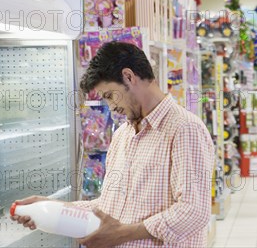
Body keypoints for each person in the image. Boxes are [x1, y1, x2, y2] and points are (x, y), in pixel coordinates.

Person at [11, 42, 215, 248]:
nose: (111, 107)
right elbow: (110, 206)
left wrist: (123, 234)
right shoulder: (122, 135)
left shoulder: (184, 128)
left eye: (109, 95)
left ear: (128, 77)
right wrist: (52, 207)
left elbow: (194, 211)